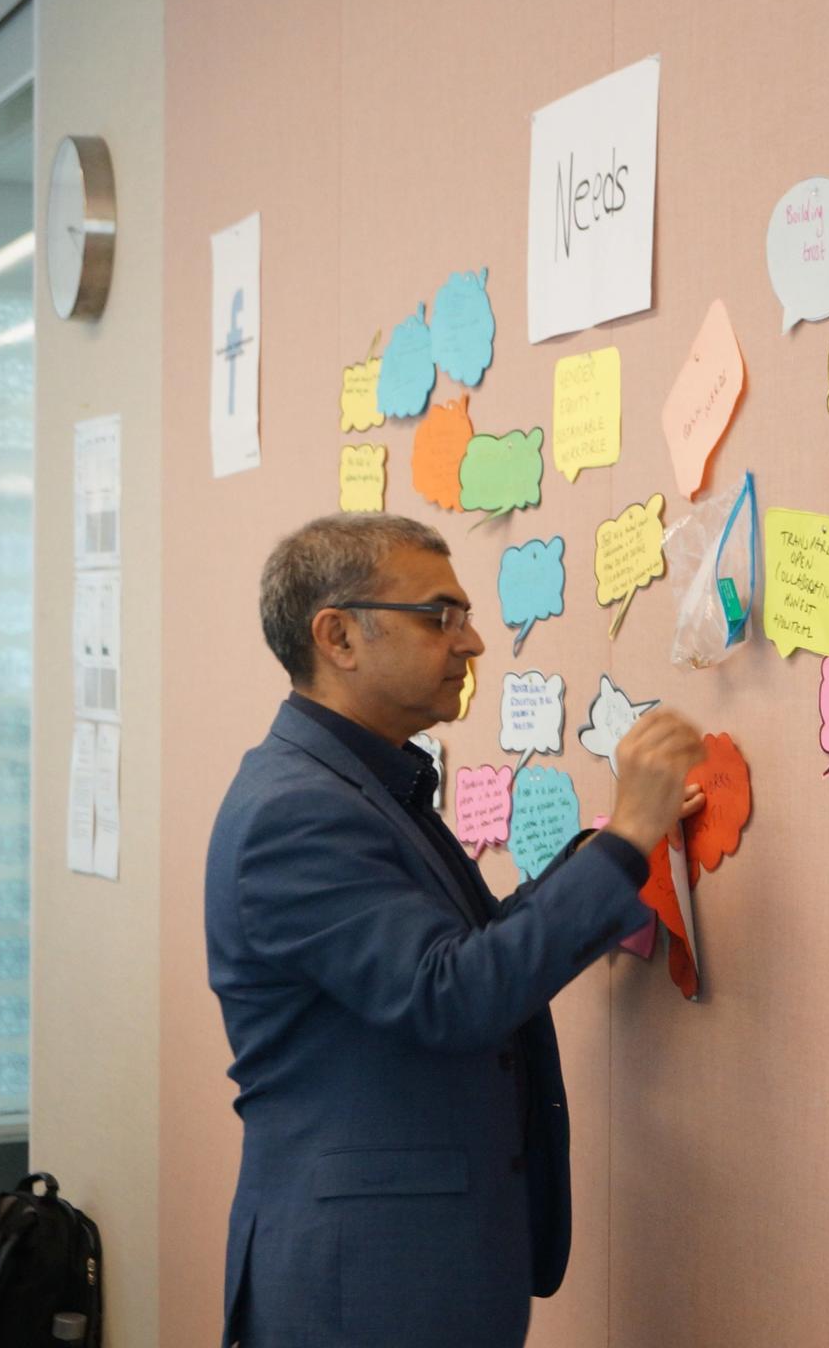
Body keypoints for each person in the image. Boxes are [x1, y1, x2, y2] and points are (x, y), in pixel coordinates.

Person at [205, 514, 704, 1347]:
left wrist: (617, 845)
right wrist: (622, 846)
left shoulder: (366, 781)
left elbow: (457, 956)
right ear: (339, 637)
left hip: (408, 1268)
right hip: (364, 1284)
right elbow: (453, 994)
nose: (472, 643)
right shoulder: (296, 811)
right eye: (442, 616)